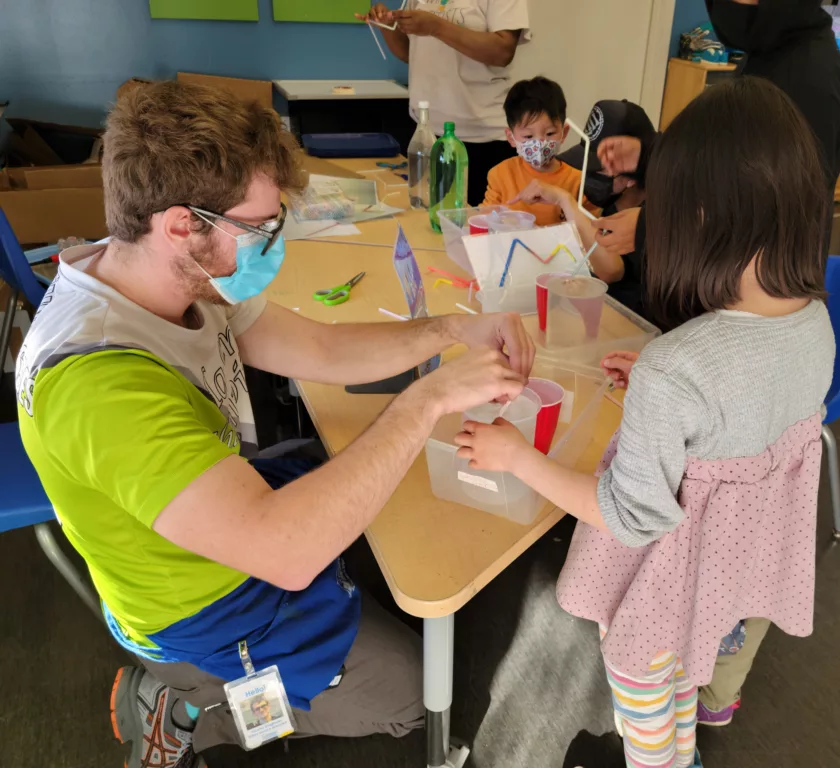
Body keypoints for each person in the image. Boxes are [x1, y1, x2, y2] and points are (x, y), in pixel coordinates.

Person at [16, 80, 534, 768]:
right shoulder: (100, 386)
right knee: (411, 695)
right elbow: (284, 553)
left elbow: (321, 350)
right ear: (179, 224)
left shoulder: (171, 278)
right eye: (259, 228)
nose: (271, 244)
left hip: (219, 510)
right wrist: (427, 398)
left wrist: (455, 329)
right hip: (197, 611)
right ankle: (192, 710)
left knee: (373, 496)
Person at [454, 77, 835, 767]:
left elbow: (629, 516)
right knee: (685, 679)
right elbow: (746, 400)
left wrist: (517, 459)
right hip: (732, 574)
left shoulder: (679, 368)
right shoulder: (816, 321)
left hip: (666, 588)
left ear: (694, 216)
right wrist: (667, 368)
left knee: (649, 724)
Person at [595, 0, 840, 269]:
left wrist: (652, 229)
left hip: (759, 289)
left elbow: (765, 210)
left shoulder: (809, 81)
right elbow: (722, 159)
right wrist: (649, 155)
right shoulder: (766, 52)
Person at [357, 0, 531, 205]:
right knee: (426, 223)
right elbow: (408, 53)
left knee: (475, 229)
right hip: (427, 132)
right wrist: (386, 24)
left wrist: (436, 26)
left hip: (481, 137)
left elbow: (502, 52)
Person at [510, 99, 657, 319]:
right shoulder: (613, 203)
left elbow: (611, 270)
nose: (586, 175)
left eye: (598, 170)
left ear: (630, 175)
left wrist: (565, 200)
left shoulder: (650, 221)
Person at [482, 77, 599, 226]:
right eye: (528, 136)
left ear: (564, 132)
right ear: (511, 138)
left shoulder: (578, 182)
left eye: (550, 133)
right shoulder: (500, 174)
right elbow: (484, 222)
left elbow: (591, 234)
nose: (539, 144)